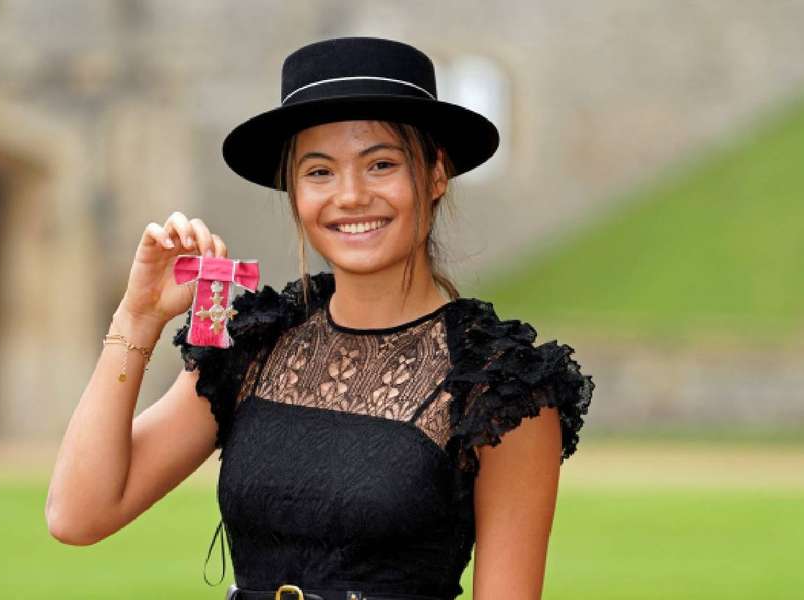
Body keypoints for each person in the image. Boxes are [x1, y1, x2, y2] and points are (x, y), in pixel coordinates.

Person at [46, 36, 594, 600]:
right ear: (294, 190)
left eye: (380, 164)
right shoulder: (256, 344)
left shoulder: (499, 383)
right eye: (319, 172)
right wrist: (138, 317)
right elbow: (79, 513)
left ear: (434, 175)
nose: (351, 196)